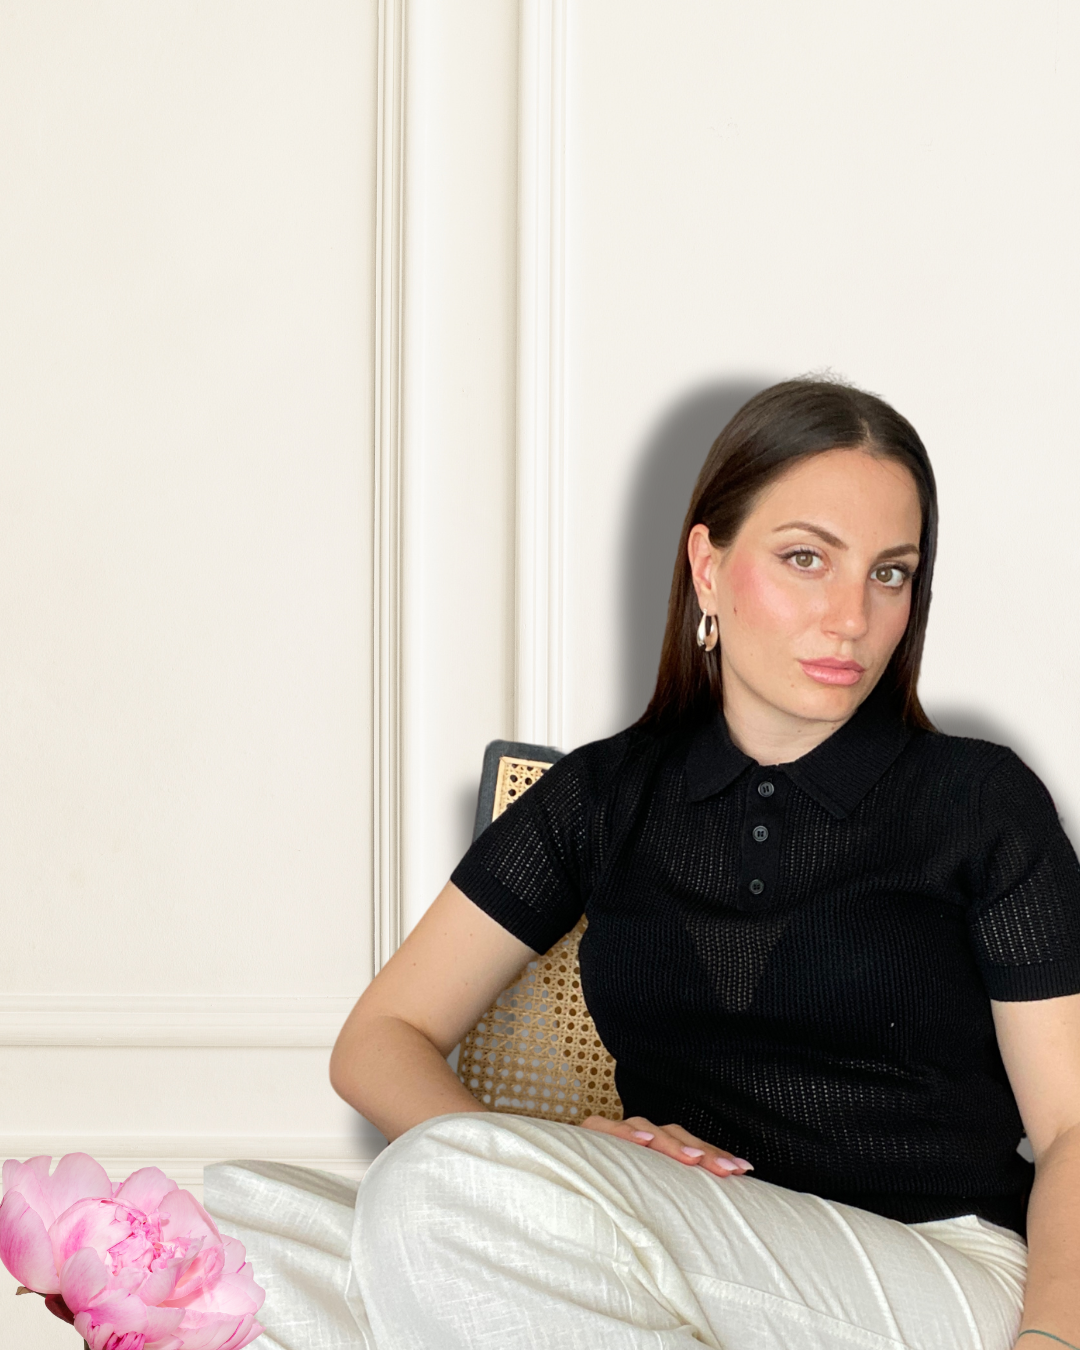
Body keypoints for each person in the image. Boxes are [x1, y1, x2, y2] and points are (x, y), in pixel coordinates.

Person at [326, 378, 1080, 1349]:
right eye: (806, 559)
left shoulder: (979, 802)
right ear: (708, 568)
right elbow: (380, 1038)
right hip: (673, 1243)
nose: (852, 616)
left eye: (890, 574)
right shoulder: (606, 796)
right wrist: (512, 1161)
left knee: (427, 1194)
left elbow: (1070, 1127)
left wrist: (1050, 1341)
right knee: (255, 1225)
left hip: (933, 1264)